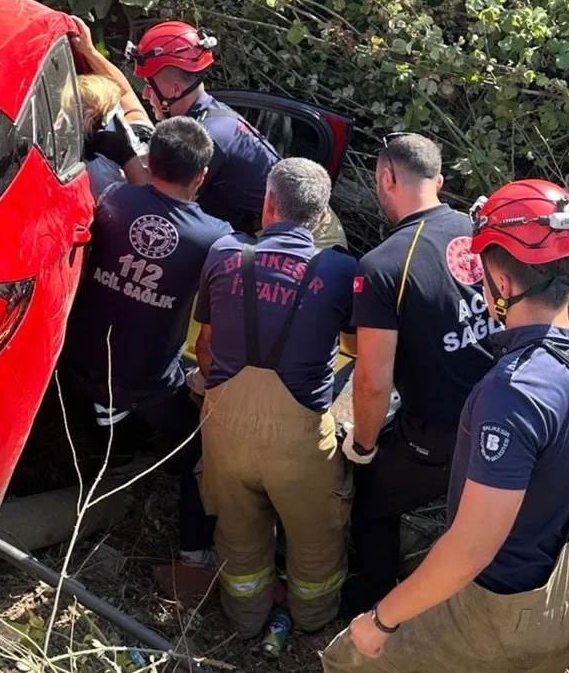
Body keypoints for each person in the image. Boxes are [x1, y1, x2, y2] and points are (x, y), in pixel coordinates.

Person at [322, 179, 569, 672]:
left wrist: (380, 621)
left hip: (497, 610)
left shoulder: (512, 391)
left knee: (351, 664)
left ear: (503, 285)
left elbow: (471, 547)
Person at [58, 116, 232, 568]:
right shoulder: (213, 238)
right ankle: (195, 551)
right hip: (146, 383)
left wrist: (129, 159)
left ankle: (104, 444)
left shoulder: (112, 198)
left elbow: (141, 192)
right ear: (202, 177)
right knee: (197, 453)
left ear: (150, 161)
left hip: (72, 362)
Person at [194, 157, 358, 637]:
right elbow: (357, 351)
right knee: (316, 541)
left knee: (236, 532)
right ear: (323, 216)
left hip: (224, 428)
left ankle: (244, 622)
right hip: (300, 438)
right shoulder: (341, 270)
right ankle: (310, 623)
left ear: (267, 205)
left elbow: (204, 348)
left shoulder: (224, 253)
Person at [339, 133, 498, 615]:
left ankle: (376, 611)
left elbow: (371, 382)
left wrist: (362, 446)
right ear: (440, 181)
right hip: (500, 416)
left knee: (371, 501)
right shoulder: (478, 231)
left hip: (439, 434)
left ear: (387, 178)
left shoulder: (383, 266)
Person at [126, 21, 278, 235]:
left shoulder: (206, 136)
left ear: (175, 89)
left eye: (149, 87)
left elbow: (162, 201)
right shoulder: (206, 114)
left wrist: (124, 157)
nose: (144, 95)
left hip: (305, 237)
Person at [70, 17, 154, 198]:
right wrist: (89, 51)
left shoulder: (89, 175)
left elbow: (125, 95)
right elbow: (126, 94)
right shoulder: (145, 143)